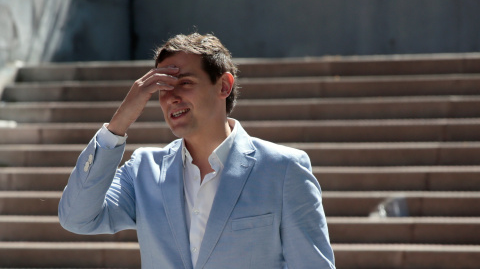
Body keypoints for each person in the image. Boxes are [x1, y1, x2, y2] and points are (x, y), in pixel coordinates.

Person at [58, 33, 335, 269]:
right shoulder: (143, 170)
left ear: (224, 86)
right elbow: (77, 219)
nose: (171, 96)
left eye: (185, 82)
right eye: (162, 87)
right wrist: (119, 124)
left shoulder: (283, 169)